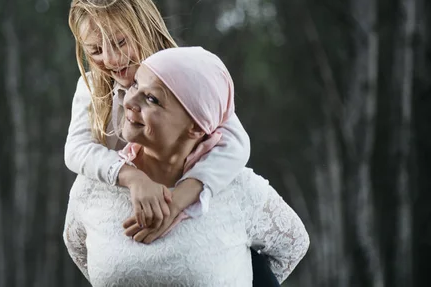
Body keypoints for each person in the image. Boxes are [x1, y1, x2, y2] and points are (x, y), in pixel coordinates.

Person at [64, 0, 278, 285]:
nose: (110, 58)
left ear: (141, 23)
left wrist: (181, 197)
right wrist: (134, 178)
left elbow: (236, 142)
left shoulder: (182, 70)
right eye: (95, 49)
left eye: (120, 41)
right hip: (135, 235)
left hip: (203, 227)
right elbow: (77, 149)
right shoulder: (92, 85)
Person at [63, 47, 310, 286]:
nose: (129, 101)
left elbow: (292, 246)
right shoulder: (93, 187)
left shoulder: (240, 189)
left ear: (196, 126)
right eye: (135, 85)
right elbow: (79, 249)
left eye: (152, 99)